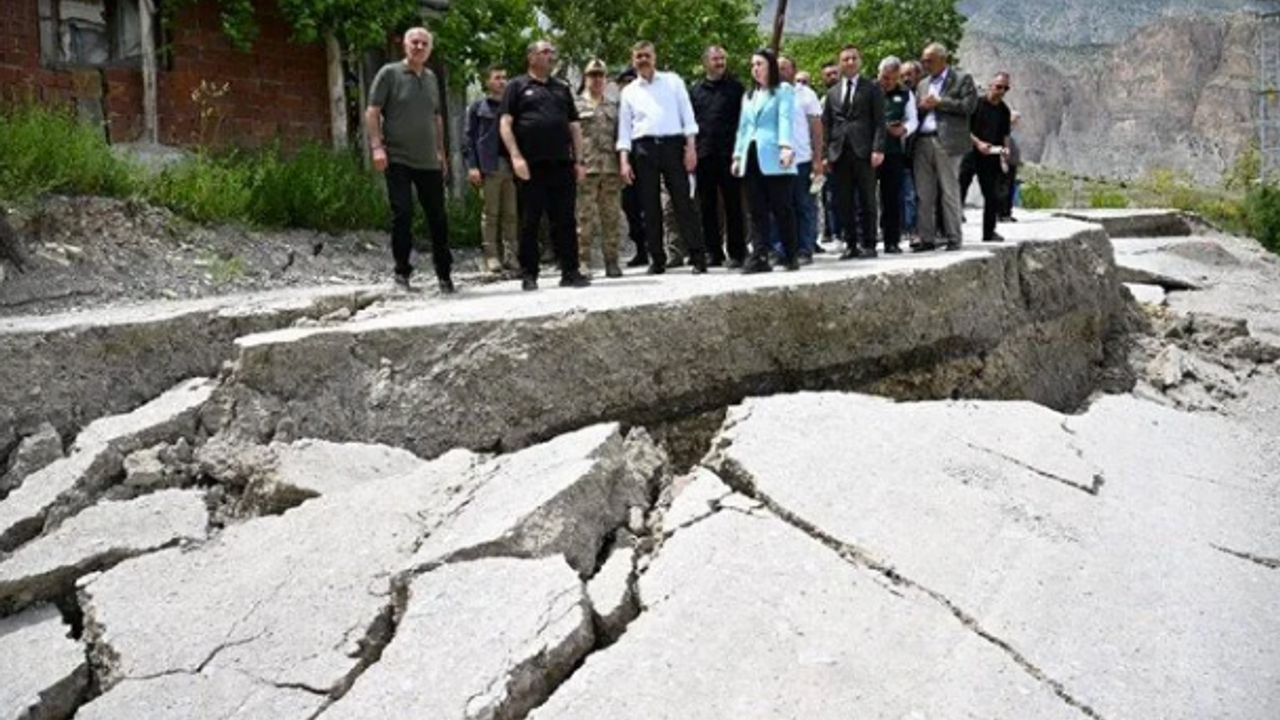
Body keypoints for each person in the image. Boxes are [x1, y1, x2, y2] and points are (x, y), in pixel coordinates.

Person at [365, 27, 453, 293]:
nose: (419, 47)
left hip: (428, 160)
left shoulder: (431, 78)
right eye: (414, 42)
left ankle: (444, 275)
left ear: (430, 49)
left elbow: (436, 117)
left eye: (424, 43)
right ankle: (402, 273)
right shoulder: (389, 73)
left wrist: (441, 152)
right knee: (402, 213)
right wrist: (377, 147)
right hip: (398, 157)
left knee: (438, 217)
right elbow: (372, 112)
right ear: (405, 45)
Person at [499, 39, 590, 291]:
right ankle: (529, 273)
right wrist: (516, 157)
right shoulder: (516, 86)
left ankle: (570, 271)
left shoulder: (561, 88)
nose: (551, 56)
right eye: (545, 51)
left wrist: (580, 160)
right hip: (531, 165)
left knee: (565, 220)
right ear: (531, 57)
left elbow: (574, 126)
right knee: (530, 220)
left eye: (552, 52)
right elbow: (505, 124)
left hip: (562, 164)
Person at [617, 40, 707, 274]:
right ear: (633, 60)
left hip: (673, 145)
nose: (643, 60)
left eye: (647, 55)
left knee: (683, 202)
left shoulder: (673, 81)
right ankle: (657, 259)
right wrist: (624, 161)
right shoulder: (628, 91)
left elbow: (688, 116)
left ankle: (698, 256)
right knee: (649, 206)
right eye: (639, 56)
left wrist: (691, 148)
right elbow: (624, 130)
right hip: (643, 148)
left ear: (654, 57)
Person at [732, 48, 798, 273]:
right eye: (753, 65)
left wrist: (786, 146)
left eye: (759, 64)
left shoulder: (783, 90)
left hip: (774, 154)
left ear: (770, 66)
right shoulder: (749, 96)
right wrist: (737, 155)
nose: (755, 69)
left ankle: (790, 254)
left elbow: (785, 118)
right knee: (756, 209)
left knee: (782, 208)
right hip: (751, 155)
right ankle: (760, 255)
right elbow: (743, 128)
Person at [822, 44, 885, 259]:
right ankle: (850, 244)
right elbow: (827, 124)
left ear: (860, 61)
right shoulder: (832, 92)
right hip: (839, 153)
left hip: (864, 151)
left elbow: (879, 121)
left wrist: (878, 148)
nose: (849, 62)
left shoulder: (872, 88)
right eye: (845, 59)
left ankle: (869, 243)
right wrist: (825, 155)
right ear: (839, 63)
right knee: (844, 201)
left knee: (867, 200)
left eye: (853, 58)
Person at [913, 42, 976, 252]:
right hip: (922, 141)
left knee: (949, 191)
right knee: (924, 193)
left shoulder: (961, 79)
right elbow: (916, 112)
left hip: (948, 143)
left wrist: (940, 102)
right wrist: (922, 107)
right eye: (923, 60)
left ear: (942, 59)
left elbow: (969, 106)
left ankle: (954, 238)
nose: (925, 64)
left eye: (929, 60)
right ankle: (926, 238)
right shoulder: (922, 84)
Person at [690, 45, 747, 268]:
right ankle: (713, 252)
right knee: (707, 206)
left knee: (734, 205)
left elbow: (744, 122)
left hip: (730, 155)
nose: (720, 63)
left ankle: (738, 252)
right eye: (715, 59)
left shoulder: (737, 89)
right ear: (705, 62)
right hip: (704, 155)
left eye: (723, 58)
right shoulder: (695, 91)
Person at [465, 65, 517, 274]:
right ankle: (491, 256)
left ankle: (512, 256)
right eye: (497, 78)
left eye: (505, 77)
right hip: (489, 166)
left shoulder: (513, 106)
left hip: (511, 166)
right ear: (487, 82)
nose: (502, 81)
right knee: (491, 214)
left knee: (511, 214)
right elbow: (469, 138)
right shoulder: (478, 107)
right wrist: (473, 166)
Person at [575, 59, 624, 277]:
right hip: (587, 168)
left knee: (611, 217)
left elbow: (620, 137)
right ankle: (583, 261)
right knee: (584, 218)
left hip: (611, 169)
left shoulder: (613, 106)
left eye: (600, 75)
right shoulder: (575, 106)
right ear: (585, 78)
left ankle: (612, 262)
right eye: (592, 75)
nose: (597, 79)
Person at [776, 55, 823, 263]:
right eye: (776, 68)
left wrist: (817, 159)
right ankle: (781, 250)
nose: (780, 72)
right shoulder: (767, 94)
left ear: (793, 71)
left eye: (784, 68)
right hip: (775, 163)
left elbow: (816, 128)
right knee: (778, 208)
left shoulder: (806, 94)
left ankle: (805, 248)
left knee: (804, 206)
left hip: (801, 159)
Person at [876, 56, 918, 254]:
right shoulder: (868, 90)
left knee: (892, 198)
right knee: (865, 198)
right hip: (869, 151)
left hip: (893, 151)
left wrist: (904, 129)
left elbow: (913, 119)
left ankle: (891, 241)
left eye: (894, 79)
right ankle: (866, 241)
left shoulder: (905, 93)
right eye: (885, 78)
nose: (889, 83)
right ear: (879, 74)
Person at [970, 71, 1013, 242]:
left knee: (991, 196)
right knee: (957, 193)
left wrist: (1005, 154)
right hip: (969, 153)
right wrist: (978, 143)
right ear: (990, 85)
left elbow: (1005, 136)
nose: (1001, 91)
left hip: (991, 156)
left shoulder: (1004, 111)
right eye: (999, 87)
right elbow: (963, 129)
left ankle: (989, 232)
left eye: (1005, 88)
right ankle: (949, 233)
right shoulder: (976, 104)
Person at [819, 61, 843, 249]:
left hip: (851, 152)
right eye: (828, 74)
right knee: (830, 197)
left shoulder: (849, 95)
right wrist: (823, 156)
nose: (832, 77)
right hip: (830, 155)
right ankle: (835, 233)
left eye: (835, 73)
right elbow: (821, 131)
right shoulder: (821, 101)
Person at [899, 59, 924, 239]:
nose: (906, 78)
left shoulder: (924, 95)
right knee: (905, 193)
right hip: (903, 153)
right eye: (902, 75)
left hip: (922, 151)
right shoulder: (899, 96)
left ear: (918, 75)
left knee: (916, 194)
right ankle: (905, 227)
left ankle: (916, 228)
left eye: (909, 74)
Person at [1001, 111, 1023, 222]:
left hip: (1012, 163)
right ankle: (1003, 213)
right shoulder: (1003, 130)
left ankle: (1007, 213)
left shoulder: (1012, 131)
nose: (1017, 121)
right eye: (1015, 118)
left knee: (1010, 189)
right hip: (1006, 164)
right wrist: (1003, 161)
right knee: (1005, 189)